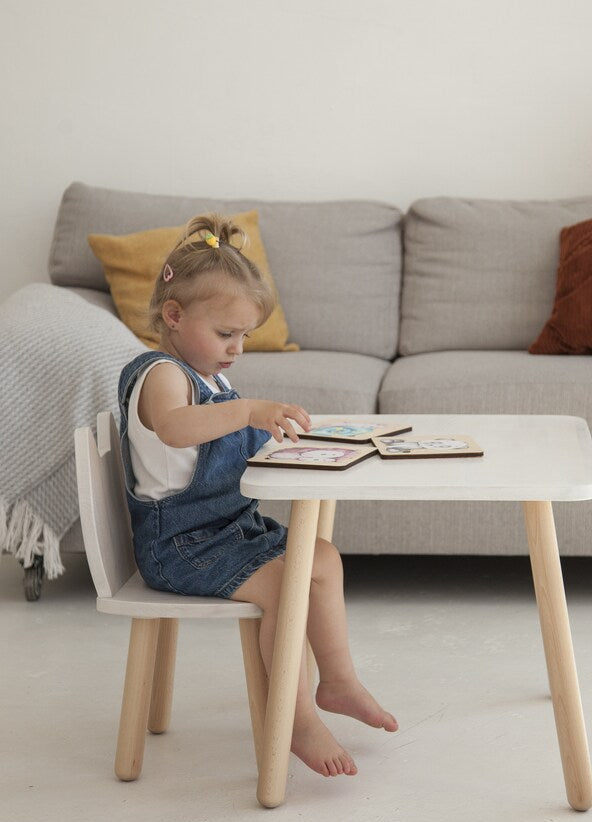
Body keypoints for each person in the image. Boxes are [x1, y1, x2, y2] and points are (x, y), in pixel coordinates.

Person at [117, 213, 397, 778]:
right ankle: (294, 719)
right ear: (174, 316)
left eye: (244, 336)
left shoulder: (213, 380)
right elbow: (175, 427)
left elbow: (219, 445)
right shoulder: (162, 375)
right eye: (226, 334)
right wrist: (247, 412)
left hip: (226, 529)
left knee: (323, 558)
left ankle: (338, 682)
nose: (237, 349)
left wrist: (278, 441)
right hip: (181, 544)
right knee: (291, 587)